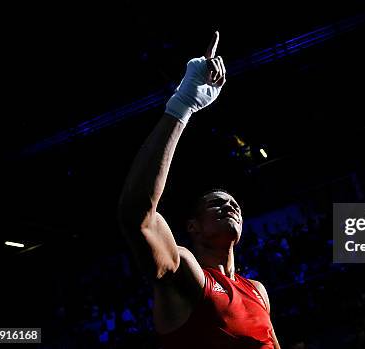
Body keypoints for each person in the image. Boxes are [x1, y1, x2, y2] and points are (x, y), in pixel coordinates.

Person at [118, 31, 281, 349]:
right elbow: (136, 215)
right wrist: (183, 105)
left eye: (233, 204)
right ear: (192, 226)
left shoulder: (258, 291)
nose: (230, 206)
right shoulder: (187, 274)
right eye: (217, 204)